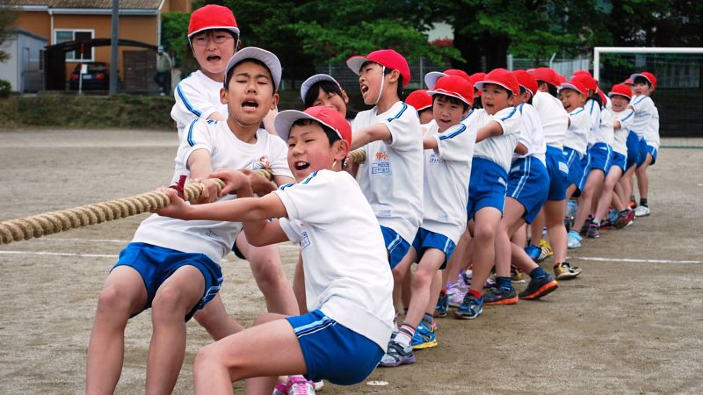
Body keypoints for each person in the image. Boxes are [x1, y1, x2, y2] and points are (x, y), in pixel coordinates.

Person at [85, 46, 291, 394]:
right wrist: (204, 183)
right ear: (225, 95)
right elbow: (200, 163)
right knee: (112, 297)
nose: (251, 88)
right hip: (155, 237)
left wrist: (259, 183)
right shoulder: (204, 128)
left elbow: (289, 197)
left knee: (170, 299)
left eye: (261, 83)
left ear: (273, 102)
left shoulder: (274, 149)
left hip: (203, 252)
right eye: (242, 80)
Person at [156, 106, 395, 394]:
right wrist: (246, 188)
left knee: (211, 358)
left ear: (340, 150)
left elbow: (260, 208)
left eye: (308, 141)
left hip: (347, 326)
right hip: (364, 334)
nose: (296, 150)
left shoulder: (331, 182)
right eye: (291, 143)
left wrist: (187, 212)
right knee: (264, 324)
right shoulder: (321, 198)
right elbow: (259, 235)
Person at [171, 5, 300, 344]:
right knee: (201, 304)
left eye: (220, 37)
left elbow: (270, 127)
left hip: (248, 196)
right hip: (207, 197)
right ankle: (254, 352)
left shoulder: (259, 83)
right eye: (202, 39)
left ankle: (300, 355)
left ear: (236, 42)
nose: (211, 46)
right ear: (192, 46)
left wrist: (292, 150)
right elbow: (222, 120)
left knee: (270, 268)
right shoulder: (191, 88)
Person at [380, 75, 475, 366]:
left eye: (453, 106)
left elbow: (413, 141)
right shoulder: (425, 126)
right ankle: (389, 327)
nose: (445, 111)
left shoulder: (462, 132)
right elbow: (404, 135)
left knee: (423, 274)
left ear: (465, 111)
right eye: (440, 103)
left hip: (446, 223)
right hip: (417, 219)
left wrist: (380, 134)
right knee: (395, 269)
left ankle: (405, 340)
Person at [345, 49, 424, 319]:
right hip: (366, 217)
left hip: (397, 218)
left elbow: (370, 134)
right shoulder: (363, 117)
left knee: (371, 270)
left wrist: (329, 145)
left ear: (393, 76)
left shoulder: (406, 114)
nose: (361, 77)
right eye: (360, 73)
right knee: (359, 272)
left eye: (368, 70)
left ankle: (395, 330)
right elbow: (354, 165)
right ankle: (392, 326)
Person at [451, 69, 522, 320]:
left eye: (497, 91)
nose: (489, 96)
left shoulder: (512, 114)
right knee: (455, 233)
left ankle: (475, 294)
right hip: (463, 177)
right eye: (485, 90)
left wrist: (454, 141)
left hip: (492, 182)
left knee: (486, 231)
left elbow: (487, 132)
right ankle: (444, 290)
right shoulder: (474, 115)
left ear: (511, 98)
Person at [486, 69, 558, 305]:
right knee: (501, 233)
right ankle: (539, 276)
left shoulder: (522, 111)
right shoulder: (513, 112)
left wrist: (492, 133)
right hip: (530, 175)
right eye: (487, 90)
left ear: (522, 96)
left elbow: (523, 147)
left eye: (502, 91)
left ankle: (504, 286)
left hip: (528, 171)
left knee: (497, 226)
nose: (490, 95)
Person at [529, 67, 581, 279]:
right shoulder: (559, 106)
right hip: (559, 159)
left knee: (526, 211)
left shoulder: (538, 97)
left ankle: (528, 252)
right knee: (557, 221)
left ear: (541, 86)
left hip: (541, 155)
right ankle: (561, 264)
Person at [592, 83, 636, 230]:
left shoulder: (628, 113)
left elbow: (615, 125)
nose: (617, 101)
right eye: (615, 97)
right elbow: (601, 96)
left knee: (608, 183)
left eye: (622, 98)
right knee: (602, 184)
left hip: (618, 155)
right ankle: (619, 212)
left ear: (628, 101)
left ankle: (615, 214)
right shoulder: (607, 108)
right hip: (605, 153)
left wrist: (594, 121)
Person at [558, 77, 591, 249]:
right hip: (562, 155)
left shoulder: (580, 113)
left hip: (570, 155)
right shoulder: (568, 112)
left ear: (582, 97)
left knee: (560, 196)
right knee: (556, 197)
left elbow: (563, 121)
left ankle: (562, 236)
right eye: (561, 97)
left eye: (568, 96)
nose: (564, 100)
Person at [630, 72, 659, 217]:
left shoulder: (647, 102)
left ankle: (644, 204)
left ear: (651, 88)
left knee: (640, 168)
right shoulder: (633, 100)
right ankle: (630, 203)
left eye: (642, 84)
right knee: (628, 167)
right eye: (636, 84)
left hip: (650, 142)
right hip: (636, 141)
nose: (638, 87)